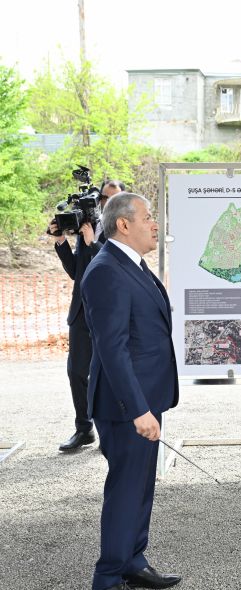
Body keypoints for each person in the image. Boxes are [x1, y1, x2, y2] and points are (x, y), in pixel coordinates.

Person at [81, 192, 180, 590]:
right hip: (126, 405)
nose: (155, 224)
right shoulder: (106, 271)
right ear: (123, 224)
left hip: (145, 398)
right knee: (126, 489)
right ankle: (107, 581)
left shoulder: (130, 264)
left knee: (141, 486)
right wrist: (138, 409)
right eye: (148, 216)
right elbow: (113, 348)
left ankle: (133, 561)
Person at [51, 179, 126, 452]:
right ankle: (84, 429)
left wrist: (93, 243)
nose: (107, 203)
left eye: (114, 198)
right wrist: (61, 241)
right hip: (82, 311)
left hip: (109, 312)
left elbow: (117, 269)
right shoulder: (88, 224)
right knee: (76, 372)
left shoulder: (124, 229)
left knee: (110, 372)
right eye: (104, 198)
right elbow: (78, 271)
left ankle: (113, 430)